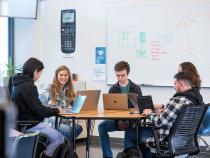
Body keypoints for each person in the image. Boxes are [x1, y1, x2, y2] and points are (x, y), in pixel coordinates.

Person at [126, 70, 203, 158]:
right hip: (186, 141)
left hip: (166, 139)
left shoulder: (178, 100)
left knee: (131, 133)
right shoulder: (197, 100)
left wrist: (150, 113)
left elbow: (159, 122)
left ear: (181, 84)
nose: (174, 87)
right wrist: (164, 111)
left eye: (175, 84)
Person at [11, 58, 65, 158]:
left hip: (20, 122)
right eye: (40, 72)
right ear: (35, 71)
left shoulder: (17, 83)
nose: (40, 75)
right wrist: (56, 110)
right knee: (59, 138)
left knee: (50, 141)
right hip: (30, 124)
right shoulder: (29, 86)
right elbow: (39, 110)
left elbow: (34, 107)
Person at [98, 61, 142, 158]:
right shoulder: (113, 89)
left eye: (123, 75)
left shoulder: (136, 88)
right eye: (118, 75)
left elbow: (140, 110)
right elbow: (109, 111)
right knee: (102, 127)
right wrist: (118, 121)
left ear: (128, 73)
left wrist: (128, 121)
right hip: (117, 121)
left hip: (132, 122)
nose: (120, 78)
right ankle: (108, 156)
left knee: (131, 132)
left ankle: (127, 154)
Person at [46, 65, 83, 142]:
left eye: (66, 75)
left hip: (64, 121)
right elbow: (40, 105)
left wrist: (81, 101)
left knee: (78, 128)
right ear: (56, 76)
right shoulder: (50, 88)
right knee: (68, 131)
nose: (63, 77)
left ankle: (62, 147)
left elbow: (75, 106)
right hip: (52, 121)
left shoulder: (68, 89)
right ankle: (67, 151)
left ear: (68, 76)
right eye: (61, 75)